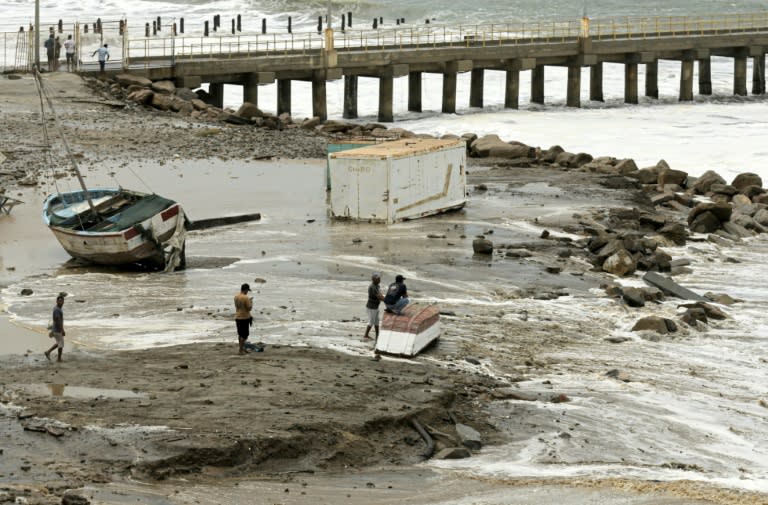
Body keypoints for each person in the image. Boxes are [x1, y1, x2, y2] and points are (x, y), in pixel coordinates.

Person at [44, 295, 66, 362]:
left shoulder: (57, 308)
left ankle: (48, 352)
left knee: (59, 343)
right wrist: (62, 330)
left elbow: (56, 320)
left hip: (55, 329)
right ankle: (59, 359)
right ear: (56, 301)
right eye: (59, 301)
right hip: (57, 330)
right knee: (61, 344)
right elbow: (57, 320)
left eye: (62, 301)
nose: (61, 302)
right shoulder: (57, 310)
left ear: (63, 302)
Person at [363, 273, 384, 341]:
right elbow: (379, 297)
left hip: (375, 306)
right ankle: (366, 335)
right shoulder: (372, 287)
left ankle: (377, 335)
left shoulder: (377, 286)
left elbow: (380, 295)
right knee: (371, 321)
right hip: (371, 306)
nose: (379, 280)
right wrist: (387, 300)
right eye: (378, 279)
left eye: (379, 279)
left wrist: (383, 298)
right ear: (373, 280)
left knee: (377, 321)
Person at [234, 283, 253, 355]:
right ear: (245, 290)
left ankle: (242, 349)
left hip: (237, 316)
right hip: (244, 317)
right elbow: (249, 308)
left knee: (240, 334)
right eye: (247, 290)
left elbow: (238, 306)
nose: (247, 292)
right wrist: (251, 302)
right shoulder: (246, 297)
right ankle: (240, 350)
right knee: (245, 335)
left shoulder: (236, 296)